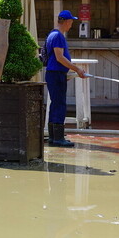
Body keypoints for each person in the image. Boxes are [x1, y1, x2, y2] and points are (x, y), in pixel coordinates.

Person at [44, 10, 87, 147]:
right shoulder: (58, 36)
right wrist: (77, 69)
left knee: (56, 104)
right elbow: (59, 57)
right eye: (71, 21)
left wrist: (66, 72)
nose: (72, 24)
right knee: (59, 104)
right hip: (55, 74)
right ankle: (58, 138)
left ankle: (53, 137)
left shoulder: (53, 34)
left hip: (56, 73)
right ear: (67, 21)